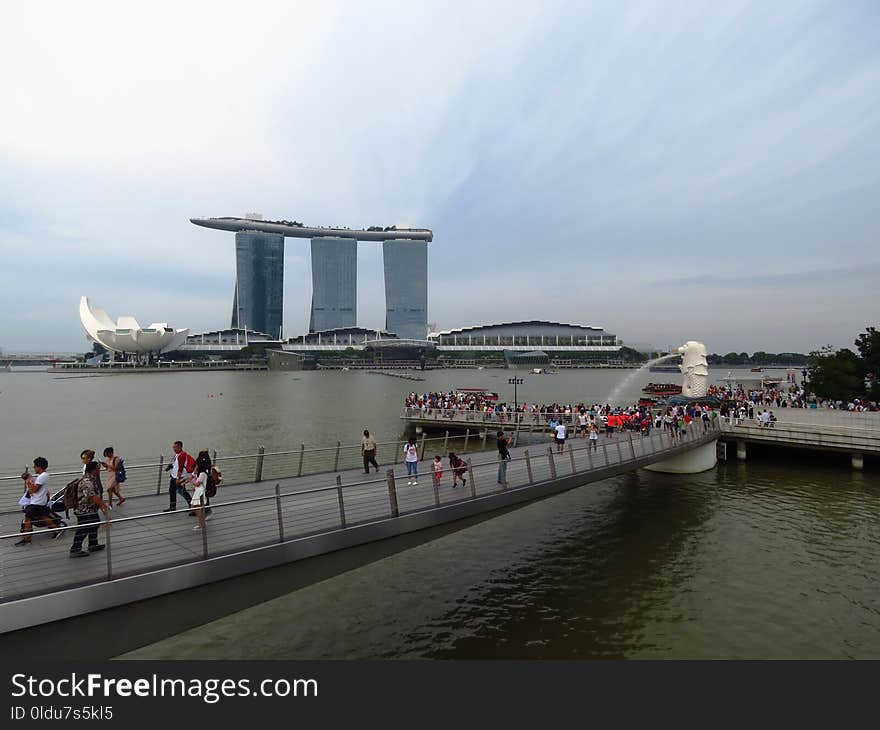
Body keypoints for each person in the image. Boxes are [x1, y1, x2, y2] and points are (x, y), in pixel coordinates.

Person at [16, 457, 63, 545]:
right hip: (39, 501)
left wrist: (28, 482)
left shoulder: (43, 476)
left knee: (28, 517)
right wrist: (30, 479)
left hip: (37, 502)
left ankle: (27, 538)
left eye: (35, 466)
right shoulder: (42, 476)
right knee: (42, 516)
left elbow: (33, 490)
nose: (34, 468)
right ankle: (57, 529)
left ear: (39, 467)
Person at [69, 461, 108, 557]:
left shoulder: (91, 479)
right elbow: (92, 496)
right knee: (83, 529)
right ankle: (75, 549)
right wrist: (103, 505)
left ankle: (93, 544)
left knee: (94, 524)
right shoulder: (87, 481)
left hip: (90, 509)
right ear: (94, 470)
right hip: (84, 510)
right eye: (98, 469)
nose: (99, 470)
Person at [185, 450, 213, 531]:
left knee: (198, 508)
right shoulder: (201, 472)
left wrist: (190, 480)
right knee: (196, 508)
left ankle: (201, 525)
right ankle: (201, 523)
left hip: (200, 492)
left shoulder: (202, 474)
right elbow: (194, 477)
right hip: (198, 491)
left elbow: (197, 483)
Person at [163, 440, 194, 512]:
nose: (174, 449)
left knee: (182, 491)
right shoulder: (177, 454)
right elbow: (176, 465)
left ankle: (191, 504)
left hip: (179, 477)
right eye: (173, 447)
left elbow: (180, 468)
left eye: (175, 447)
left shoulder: (182, 455)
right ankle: (172, 506)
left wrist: (178, 478)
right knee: (172, 491)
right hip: (173, 476)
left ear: (180, 447)